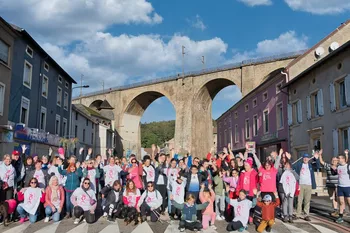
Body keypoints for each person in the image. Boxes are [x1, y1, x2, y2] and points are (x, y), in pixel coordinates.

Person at [293, 152, 320, 221]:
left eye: (307, 158)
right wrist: (289, 158)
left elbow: (318, 166)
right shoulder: (299, 165)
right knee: (299, 200)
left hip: (309, 184)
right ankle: (298, 214)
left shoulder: (311, 165)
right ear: (302, 158)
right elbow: (292, 166)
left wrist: (317, 159)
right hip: (301, 184)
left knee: (307, 200)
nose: (305, 159)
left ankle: (306, 214)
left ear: (308, 159)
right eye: (304, 157)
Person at [319, 149, 339, 217]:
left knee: (337, 197)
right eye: (333, 160)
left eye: (336, 160)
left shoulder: (339, 167)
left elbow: (346, 162)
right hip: (330, 184)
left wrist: (346, 155)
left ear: (337, 161)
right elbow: (321, 162)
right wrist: (320, 154)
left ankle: (339, 209)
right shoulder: (328, 166)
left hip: (337, 184)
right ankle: (335, 209)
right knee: (332, 197)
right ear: (331, 161)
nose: (334, 161)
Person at [335, 150, 350, 223]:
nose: (338, 159)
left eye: (339, 158)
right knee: (341, 202)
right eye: (337, 158)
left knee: (349, 202)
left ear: (343, 159)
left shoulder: (348, 166)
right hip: (340, 187)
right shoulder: (338, 167)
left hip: (347, 186)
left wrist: (346, 154)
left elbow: (347, 161)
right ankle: (340, 217)